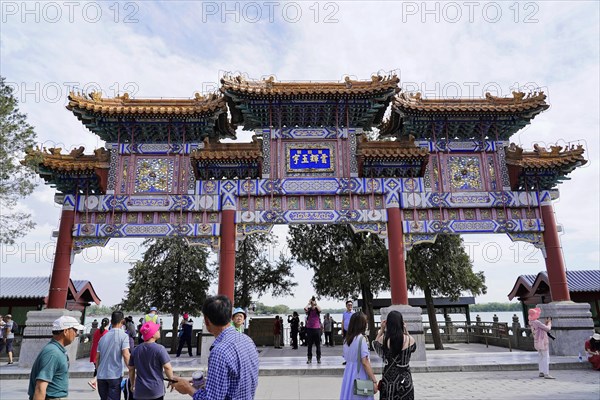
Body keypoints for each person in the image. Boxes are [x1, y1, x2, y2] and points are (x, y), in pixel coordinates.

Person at [169, 295, 259, 400]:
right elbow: (238, 380)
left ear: (206, 321)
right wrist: (209, 382)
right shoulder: (247, 340)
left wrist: (188, 388)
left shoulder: (219, 352)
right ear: (230, 317)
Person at [27, 316, 85, 400]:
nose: (76, 334)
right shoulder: (53, 353)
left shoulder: (56, 350)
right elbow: (40, 387)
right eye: (75, 330)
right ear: (66, 331)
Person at [373, 310, 416, 400]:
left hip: (388, 378)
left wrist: (381, 330)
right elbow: (413, 348)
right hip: (404, 377)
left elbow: (375, 345)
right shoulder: (409, 340)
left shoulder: (384, 339)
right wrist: (406, 331)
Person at [128, 321, 174, 399]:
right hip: (155, 390)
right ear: (152, 334)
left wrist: (132, 384)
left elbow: (131, 369)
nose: (159, 331)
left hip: (140, 391)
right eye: (157, 330)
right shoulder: (160, 349)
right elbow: (167, 367)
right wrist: (171, 380)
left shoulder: (136, 350)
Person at [340, 312, 378, 400]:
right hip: (360, 373)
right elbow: (364, 362)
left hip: (348, 373)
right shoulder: (361, 339)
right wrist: (374, 380)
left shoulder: (347, 340)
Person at [96, 311, 131, 400]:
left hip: (101, 376)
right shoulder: (124, 336)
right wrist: (132, 369)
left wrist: (98, 371)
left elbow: (97, 358)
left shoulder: (103, 337)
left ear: (111, 321)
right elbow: (126, 355)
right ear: (122, 321)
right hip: (114, 375)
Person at [529, 307, 555, 379]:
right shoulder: (537, 322)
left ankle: (541, 371)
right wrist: (549, 323)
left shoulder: (531, 322)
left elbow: (542, 327)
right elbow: (547, 329)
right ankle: (546, 373)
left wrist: (545, 324)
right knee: (545, 357)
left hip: (537, 341)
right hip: (542, 342)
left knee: (540, 356)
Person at [88, 317, 110, 390]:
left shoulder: (97, 331)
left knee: (97, 368)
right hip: (100, 352)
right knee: (101, 368)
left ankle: (95, 384)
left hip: (94, 350)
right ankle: (93, 381)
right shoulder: (107, 332)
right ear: (108, 324)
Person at [304, 296, 322, 364]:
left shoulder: (317, 310)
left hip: (317, 329)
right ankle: (309, 358)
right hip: (309, 329)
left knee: (318, 345)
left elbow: (320, 310)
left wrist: (315, 304)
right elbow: (305, 309)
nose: (312, 304)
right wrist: (309, 303)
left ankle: (318, 358)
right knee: (309, 345)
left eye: (313, 303)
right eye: (312, 303)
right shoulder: (309, 310)